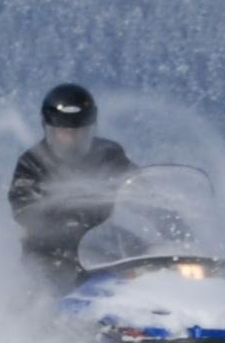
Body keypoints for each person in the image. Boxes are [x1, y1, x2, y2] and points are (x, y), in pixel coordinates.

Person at [8, 83, 136, 285]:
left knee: (148, 258)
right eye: (63, 131)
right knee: (50, 285)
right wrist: (62, 221)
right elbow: (23, 207)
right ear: (48, 128)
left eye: (79, 131)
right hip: (50, 252)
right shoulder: (32, 162)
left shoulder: (109, 154)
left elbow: (137, 186)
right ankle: (37, 314)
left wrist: (170, 217)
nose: (71, 138)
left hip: (104, 242)